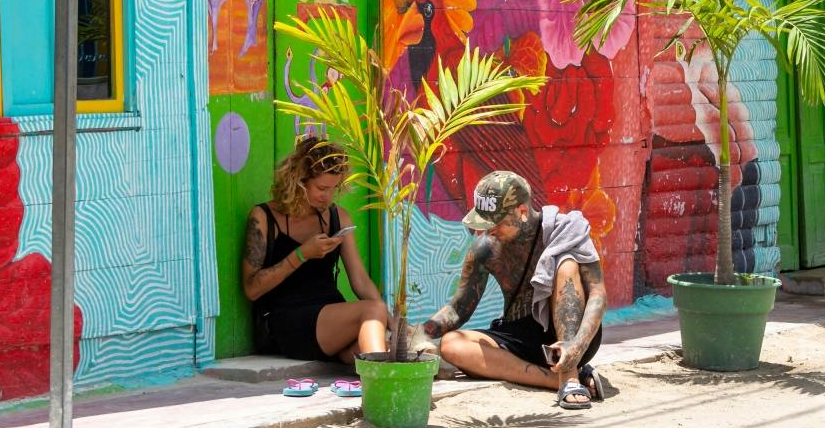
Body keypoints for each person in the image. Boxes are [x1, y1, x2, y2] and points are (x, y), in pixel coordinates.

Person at [420, 171, 609, 409]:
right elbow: (459, 308)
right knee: (451, 345)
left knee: (567, 264)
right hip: (520, 336)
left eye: (495, 222)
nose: (489, 230)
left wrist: (577, 345)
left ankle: (569, 377)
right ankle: (555, 380)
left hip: (573, 336)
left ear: (521, 211)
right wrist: (418, 334)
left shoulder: (565, 231)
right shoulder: (485, 248)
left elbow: (598, 295)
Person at [243, 135, 390, 364]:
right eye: (321, 188)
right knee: (372, 312)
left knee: (382, 342)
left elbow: (360, 281)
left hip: (331, 319)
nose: (327, 197)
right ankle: (381, 379)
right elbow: (252, 289)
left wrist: (393, 322)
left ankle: (380, 375)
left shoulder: (338, 217)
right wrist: (302, 254)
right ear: (298, 180)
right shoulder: (264, 217)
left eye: (334, 188)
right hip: (288, 320)